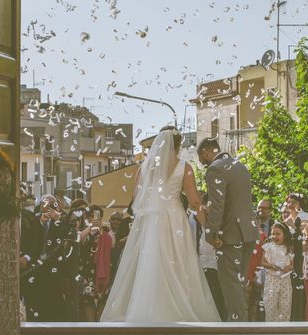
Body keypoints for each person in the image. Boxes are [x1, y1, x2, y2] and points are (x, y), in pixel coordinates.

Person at [100, 127, 220, 322]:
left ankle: (148, 309)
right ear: (179, 146)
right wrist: (208, 227)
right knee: (179, 262)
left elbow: (136, 198)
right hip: (174, 220)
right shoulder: (184, 167)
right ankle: (177, 309)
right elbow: (195, 202)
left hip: (150, 222)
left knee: (150, 263)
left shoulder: (144, 167)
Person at [198, 137, 258, 322]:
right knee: (239, 282)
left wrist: (210, 232)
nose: (203, 163)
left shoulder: (216, 168)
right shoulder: (240, 166)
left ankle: (237, 324)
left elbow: (217, 204)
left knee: (230, 283)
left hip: (230, 234)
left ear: (206, 151)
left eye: (202, 159)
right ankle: (242, 320)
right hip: (248, 231)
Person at [193, 193, 228, 321]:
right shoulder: (197, 221)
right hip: (201, 262)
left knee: (217, 293)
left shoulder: (223, 223)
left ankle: (220, 318)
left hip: (217, 263)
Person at [260, 222, 294, 322]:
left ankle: (284, 329)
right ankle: (271, 329)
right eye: (273, 234)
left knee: (285, 306)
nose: (275, 236)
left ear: (285, 235)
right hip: (272, 279)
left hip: (285, 280)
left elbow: (293, 264)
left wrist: (288, 267)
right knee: (270, 305)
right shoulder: (268, 246)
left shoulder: (289, 247)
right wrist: (272, 266)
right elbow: (262, 262)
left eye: (278, 234)